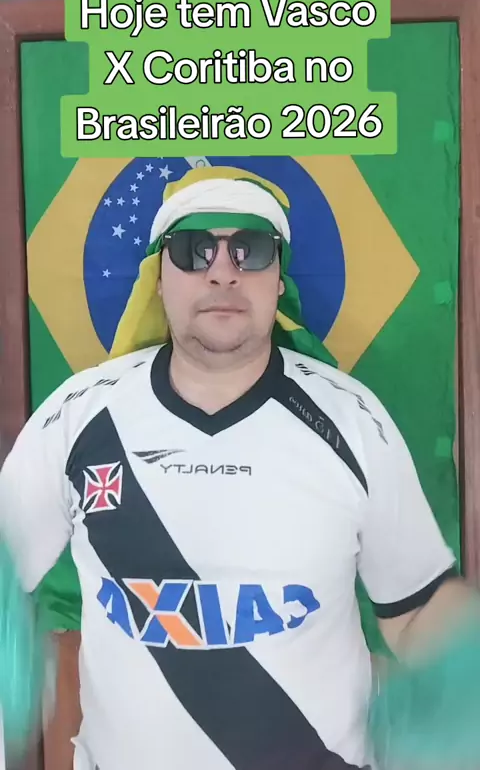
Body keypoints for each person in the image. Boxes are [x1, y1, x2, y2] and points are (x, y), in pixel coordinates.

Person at [0, 166, 479, 770]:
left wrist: (461, 667)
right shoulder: (77, 416)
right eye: (193, 249)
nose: (222, 271)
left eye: (249, 250)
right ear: (159, 278)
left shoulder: (353, 421)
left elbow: (416, 606)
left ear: (278, 279)